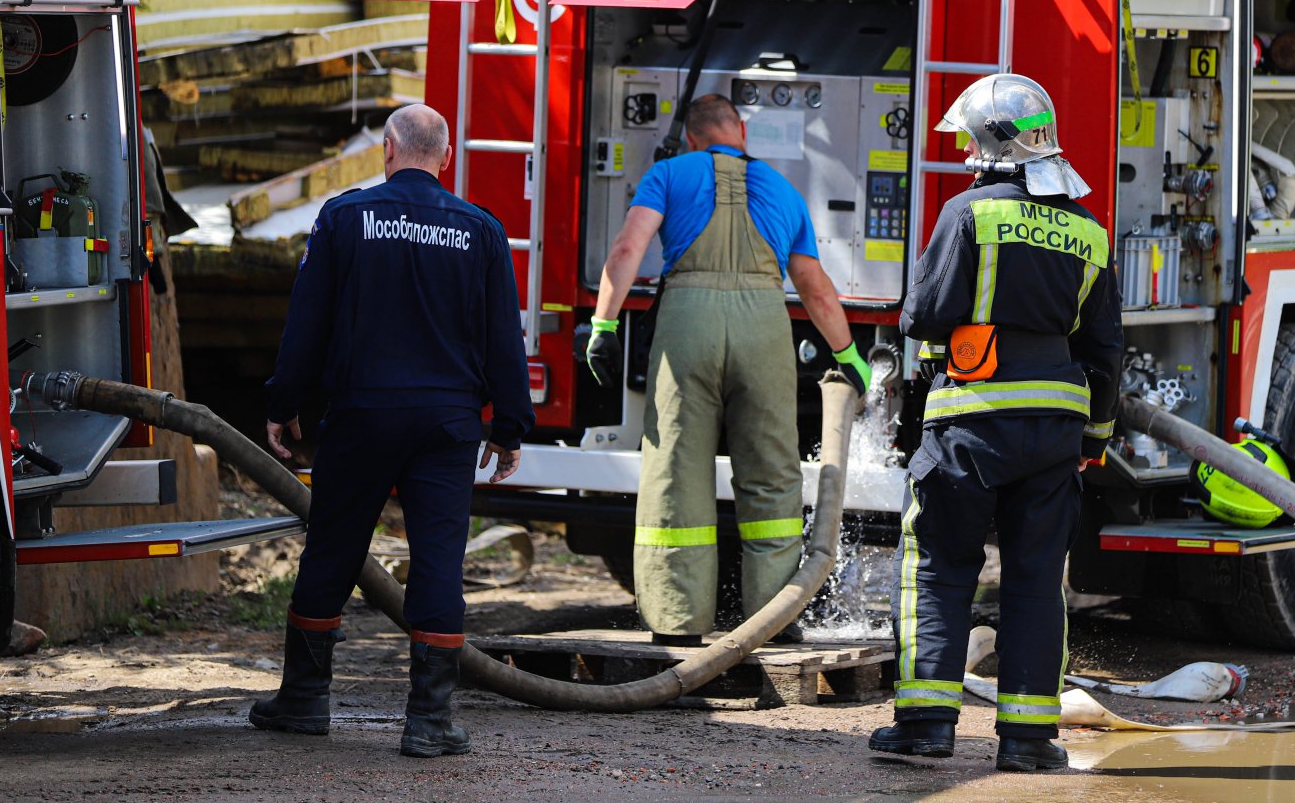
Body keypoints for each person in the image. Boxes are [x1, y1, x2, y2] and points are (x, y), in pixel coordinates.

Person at [250, 104, 533, 758]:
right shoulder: (481, 229)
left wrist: (283, 400)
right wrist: (510, 427)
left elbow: (308, 322)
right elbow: (502, 341)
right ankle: (429, 722)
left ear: (387, 150)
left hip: (362, 415)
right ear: (448, 156)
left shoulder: (346, 218)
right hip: (446, 423)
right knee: (438, 560)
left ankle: (303, 700)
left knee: (334, 548)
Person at [869, 73, 1121, 773]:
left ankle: (925, 729)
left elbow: (922, 316)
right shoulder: (1088, 230)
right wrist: (1093, 441)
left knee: (940, 568)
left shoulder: (969, 213)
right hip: (1054, 433)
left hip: (969, 426)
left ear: (989, 141)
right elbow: (1105, 349)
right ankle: (1030, 742)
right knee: (1038, 580)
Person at [586, 94, 870, 645]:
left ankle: (676, 620)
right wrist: (848, 355)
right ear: (740, 130)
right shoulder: (783, 190)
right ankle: (774, 617)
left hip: (687, 323)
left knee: (676, 466)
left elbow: (627, 248)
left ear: (693, 137)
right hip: (764, 327)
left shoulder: (668, 174)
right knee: (770, 470)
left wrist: (604, 325)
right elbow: (814, 286)